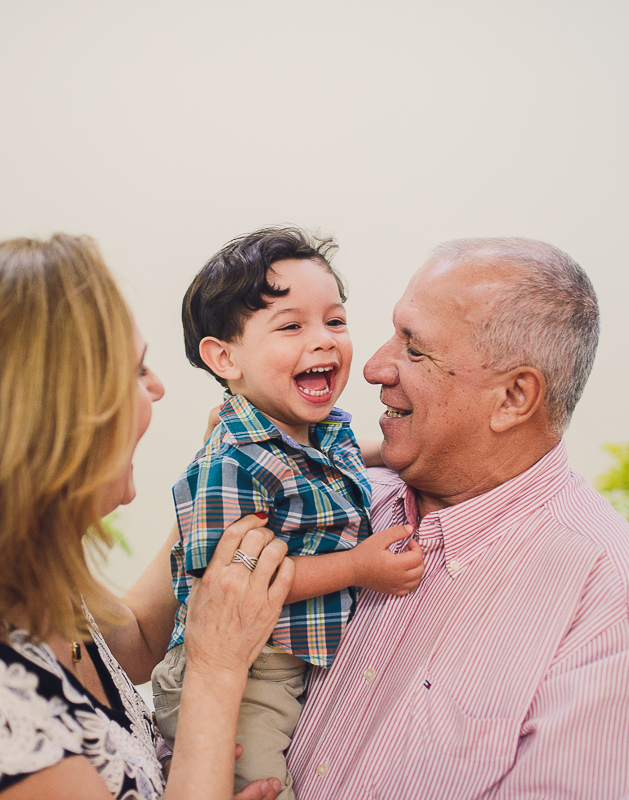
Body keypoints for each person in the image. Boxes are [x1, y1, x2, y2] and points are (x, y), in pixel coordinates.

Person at [0, 234, 294, 800]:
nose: (157, 388)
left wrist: (221, 486)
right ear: (55, 422)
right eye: (136, 371)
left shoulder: (19, 586)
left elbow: (139, 638)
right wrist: (215, 670)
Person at [286, 238, 629, 799]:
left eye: (415, 348)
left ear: (513, 397)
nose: (375, 368)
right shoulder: (340, 503)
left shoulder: (614, 601)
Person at [151, 228, 423, 799]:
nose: (323, 340)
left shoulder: (318, 431)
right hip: (242, 674)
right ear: (225, 357)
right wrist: (357, 567)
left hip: (287, 666)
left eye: (335, 320)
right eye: (291, 326)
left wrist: (401, 449)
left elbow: (343, 458)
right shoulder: (233, 463)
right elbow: (235, 587)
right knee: (268, 788)